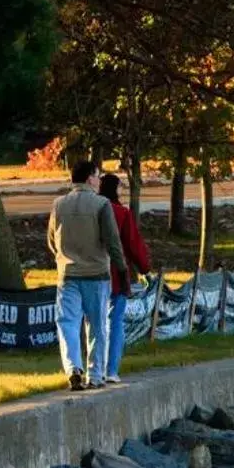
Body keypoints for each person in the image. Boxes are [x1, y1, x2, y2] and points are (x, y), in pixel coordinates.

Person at [46, 159, 126, 390]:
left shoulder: (58, 204)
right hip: (96, 274)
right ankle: (96, 374)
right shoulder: (102, 204)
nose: (100, 180)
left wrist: (63, 259)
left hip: (67, 274)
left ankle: (73, 368)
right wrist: (120, 267)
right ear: (90, 177)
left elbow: (52, 240)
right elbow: (112, 241)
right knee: (97, 326)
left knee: (68, 323)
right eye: (98, 176)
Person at [97, 172, 152, 385]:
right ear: (115, 188)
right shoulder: (121, 213)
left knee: (95, 323)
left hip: (93, 273)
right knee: (116, 322)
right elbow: (133, 244)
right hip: (117, 275)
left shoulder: (94, 210)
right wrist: (145, 268)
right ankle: (111, 369)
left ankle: (95, 368)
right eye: (120, 186)